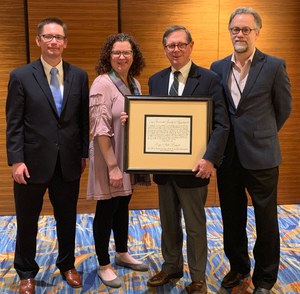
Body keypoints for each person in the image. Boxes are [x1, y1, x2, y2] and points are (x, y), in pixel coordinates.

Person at [210, 7, 292, 294]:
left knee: (266, 220)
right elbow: (216, 111)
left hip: (262, 156)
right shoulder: (217, 67)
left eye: (246, 29)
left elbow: (283, 109)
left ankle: (265, 278)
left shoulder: (273, 66)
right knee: (232, 217)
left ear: (257, 32)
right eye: (235, 29)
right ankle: (238, 267)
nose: (240, 34)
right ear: (230, 32)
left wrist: (261, 134)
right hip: (228, 157)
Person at [143, 25, 229, 294]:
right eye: (170, 45)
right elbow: (153, 120)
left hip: (195, 169)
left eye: (181, 44)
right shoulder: (155, 80)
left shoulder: (209, 79)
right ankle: (171, 267)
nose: (176, 50)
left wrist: (210, 159)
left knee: (195, 226)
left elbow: (221, 125)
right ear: (165, 49)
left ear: (191, 46)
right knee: (167, 222)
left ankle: (198, 277)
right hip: (165, 169)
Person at [6, 17, 89, 294]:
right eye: (48, 37)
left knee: (67, 217)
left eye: (59, 37)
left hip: (68, 162)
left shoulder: (79, 75)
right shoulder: (21, 75)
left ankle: (67, 264)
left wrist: (84, 154)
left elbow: (81, 120)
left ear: (65, 42)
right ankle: (26, 272)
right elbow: (14, 122)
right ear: (39, 40)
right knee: (27, 220)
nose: (54, 42)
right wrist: (16, 160)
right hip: (31, 163)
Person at [87, 33, 149, 289]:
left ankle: (122, 252)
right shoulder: (102, 83)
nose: (121, 57)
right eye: (116, 53)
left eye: (126, 52)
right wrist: (113, 166)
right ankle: (103, 264)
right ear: (108, 56)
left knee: (123, 205)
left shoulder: (134, 83)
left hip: (128, 157)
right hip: (109, 158)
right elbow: (100, 129)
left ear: (134, 56)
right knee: (106, 210)